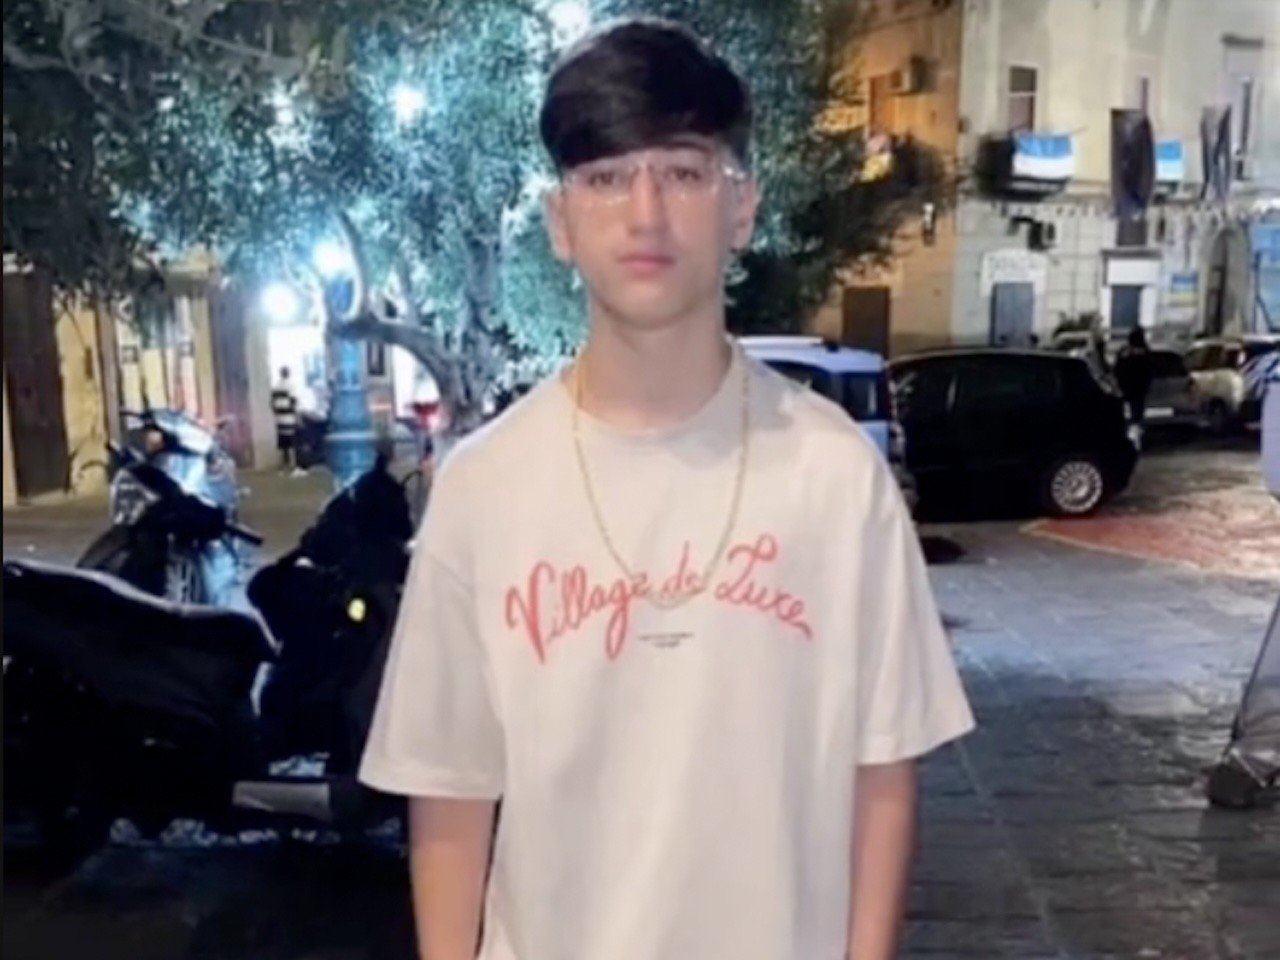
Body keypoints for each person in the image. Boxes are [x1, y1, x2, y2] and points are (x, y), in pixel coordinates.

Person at [359, 19, 974, 960]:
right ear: (560, 222)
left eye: (684, 171)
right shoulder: (484, 489)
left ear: (742, 208)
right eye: (606, 177)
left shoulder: (835, 477)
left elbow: (883, 773)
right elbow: (449, 792)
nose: (645, 212)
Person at [1114, 327, 1154, 430]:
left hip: (1129, 385)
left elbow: (1118, 368)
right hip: (1138, 386)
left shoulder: (1125, 351)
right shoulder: (1144, 352)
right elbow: (1149, 368)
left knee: (1131, 409)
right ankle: (1134, 426)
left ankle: (1131, 426)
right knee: (1137, 410)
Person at [270, 366, 303, 475]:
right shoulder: (291, 385)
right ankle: (294, 466)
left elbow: (272, 404)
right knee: (293, 442)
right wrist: (297, 417)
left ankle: (284, 467)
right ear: (288, 373)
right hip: (289, 418)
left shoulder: (275, 386)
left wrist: (277, 414)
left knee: (283, 444)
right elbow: (294, 402)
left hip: (279, 418)